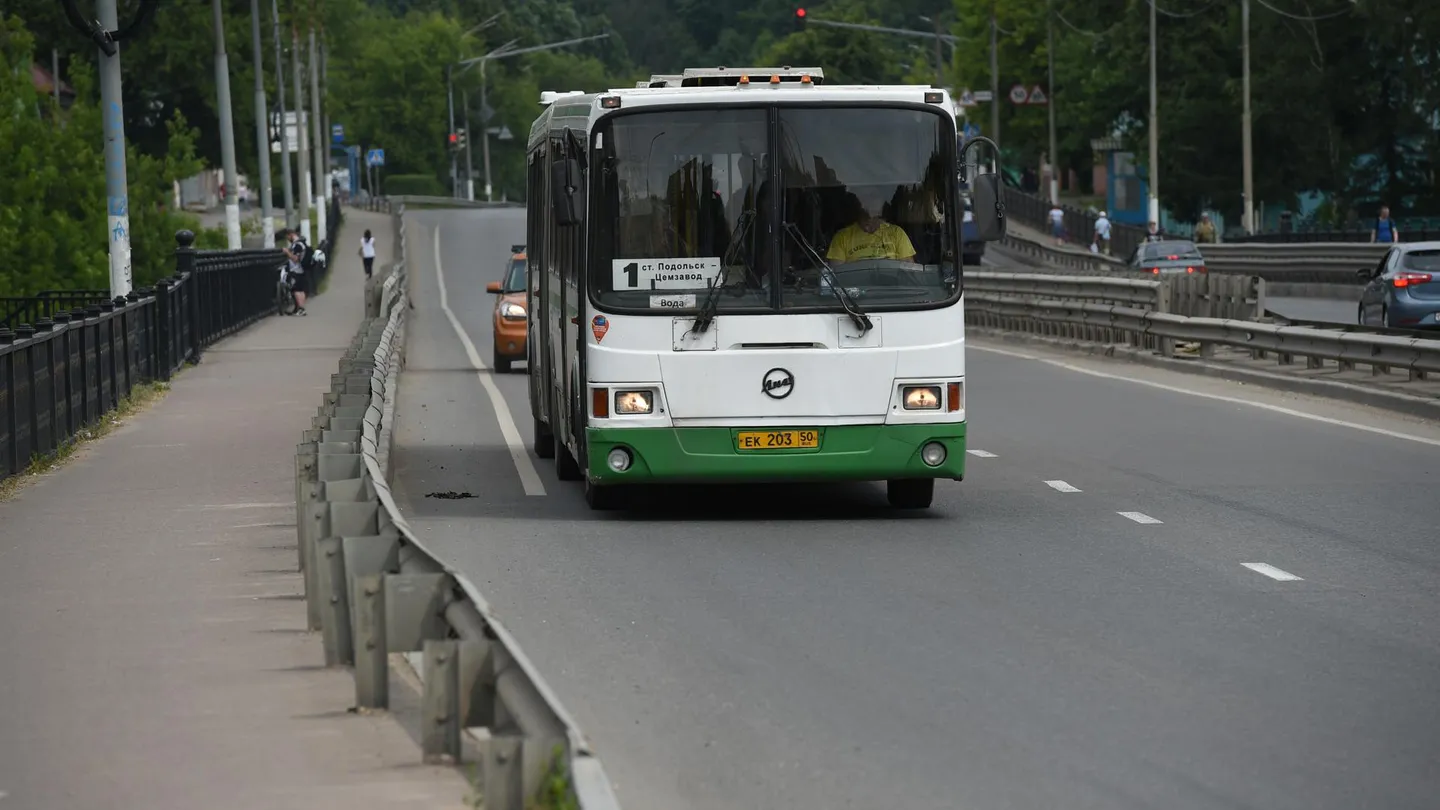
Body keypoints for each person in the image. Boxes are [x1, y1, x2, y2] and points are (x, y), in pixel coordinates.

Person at [826, 190, 916, 264]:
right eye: (866, 218)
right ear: (859, 215)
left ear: (881, 216)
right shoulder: (842, 237)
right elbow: (837, 276)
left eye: (874, 218)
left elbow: (908, 273)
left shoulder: (897, 233)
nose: (869, 223)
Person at [282, 228, 310, 315]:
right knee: (301, 289)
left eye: (287, 237)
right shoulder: (302, 243)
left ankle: (301, 309)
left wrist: (287, 252)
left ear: (290, 235)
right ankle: (300, 308)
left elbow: (295, 259)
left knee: (296, 289)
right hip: (301, 269)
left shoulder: (297, 245)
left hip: (296, 270)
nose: (288, 239)